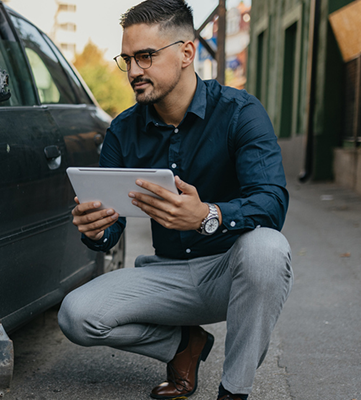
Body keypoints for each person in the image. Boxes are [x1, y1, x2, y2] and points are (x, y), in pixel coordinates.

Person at [56, 1, 292, 399]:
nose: (134, 71)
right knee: (75, 316)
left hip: (229, 272)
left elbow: (271, 202)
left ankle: (234, 391)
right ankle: (184, 345)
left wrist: (207, 215)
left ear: (186, 52)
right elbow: (111, 230)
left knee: (268, 249)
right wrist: (96, 229)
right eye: (127, 59)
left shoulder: (240, 112)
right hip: (166, 276)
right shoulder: (122, 131)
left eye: (146, 56)